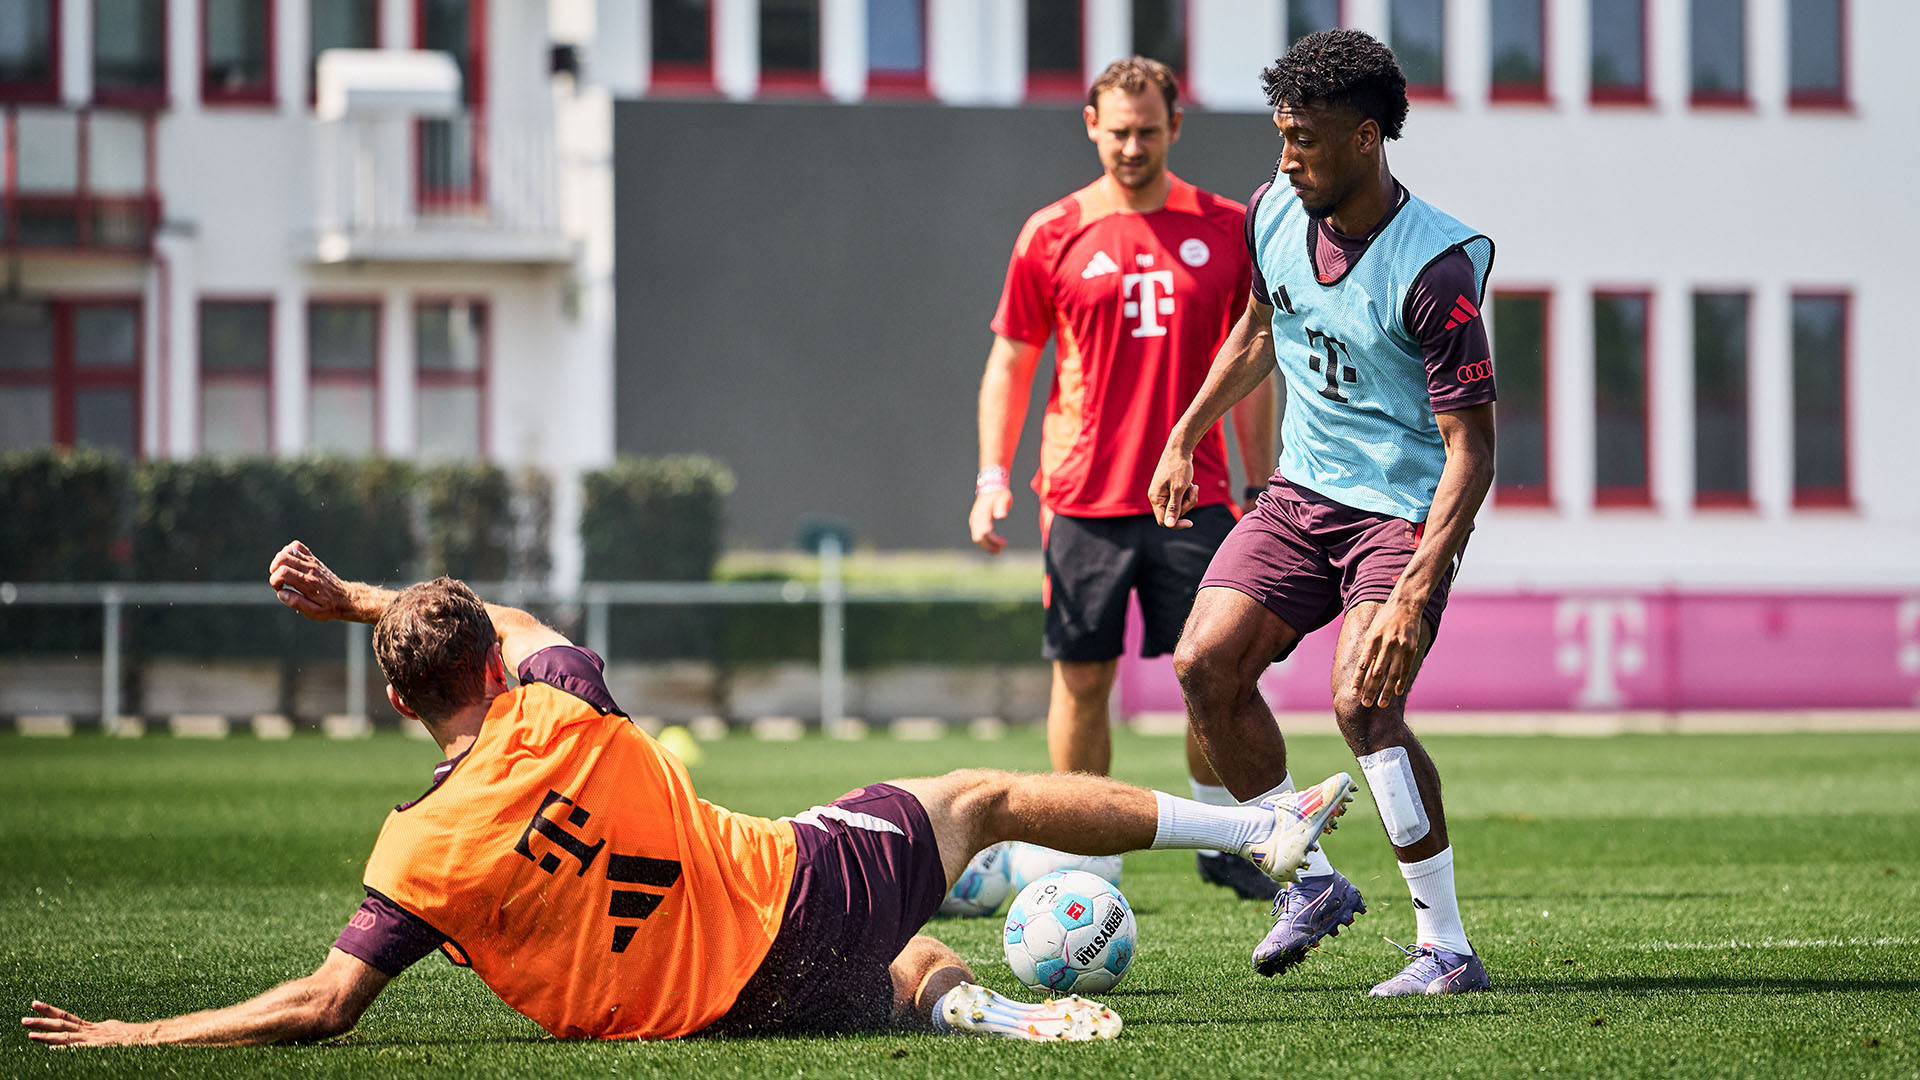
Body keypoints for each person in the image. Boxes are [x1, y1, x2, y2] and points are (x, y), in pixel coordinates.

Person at [22, 541, 1356, 1048]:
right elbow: (514, 611)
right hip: (799, 896)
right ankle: (1257, 825)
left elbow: (318, 1009)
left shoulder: (414, 857)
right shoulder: (563, 699)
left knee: (899, 959)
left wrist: (130, 1039)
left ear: (394, 706)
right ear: (497, 663)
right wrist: (361, 595)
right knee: (978, 795)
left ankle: (991, 1012)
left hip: (717, 1017)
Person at [1148, 30, 1498, 996]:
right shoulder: (1270, 211)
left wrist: (1421, 581)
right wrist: (1187, 432)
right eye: (1282, 136)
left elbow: (1472, 449)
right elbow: (1263, 329)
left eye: (1305, 139)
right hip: (1302, 494)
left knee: (1365, 705)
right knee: (1203, 666)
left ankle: (1446, 947)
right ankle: (1308, 879)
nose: (1287, 158)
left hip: (1400, 514)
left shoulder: (1436, 269)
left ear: (1368, 139)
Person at [970, 56, 1281, 900]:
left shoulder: (1225, 228)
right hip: (1081, 498)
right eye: (1118, 132)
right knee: (1082, 678)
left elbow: (1254, 362)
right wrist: (992, 475)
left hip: (1200, 496)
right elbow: (1012, 362)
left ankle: (1226, 833)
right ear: (1090, 127)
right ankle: (1083, 852)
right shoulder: (1052, 231)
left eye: (1149, 131)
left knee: (1215, 674)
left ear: (1175, 127)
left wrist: (1265, 484)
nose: (1133, 147)